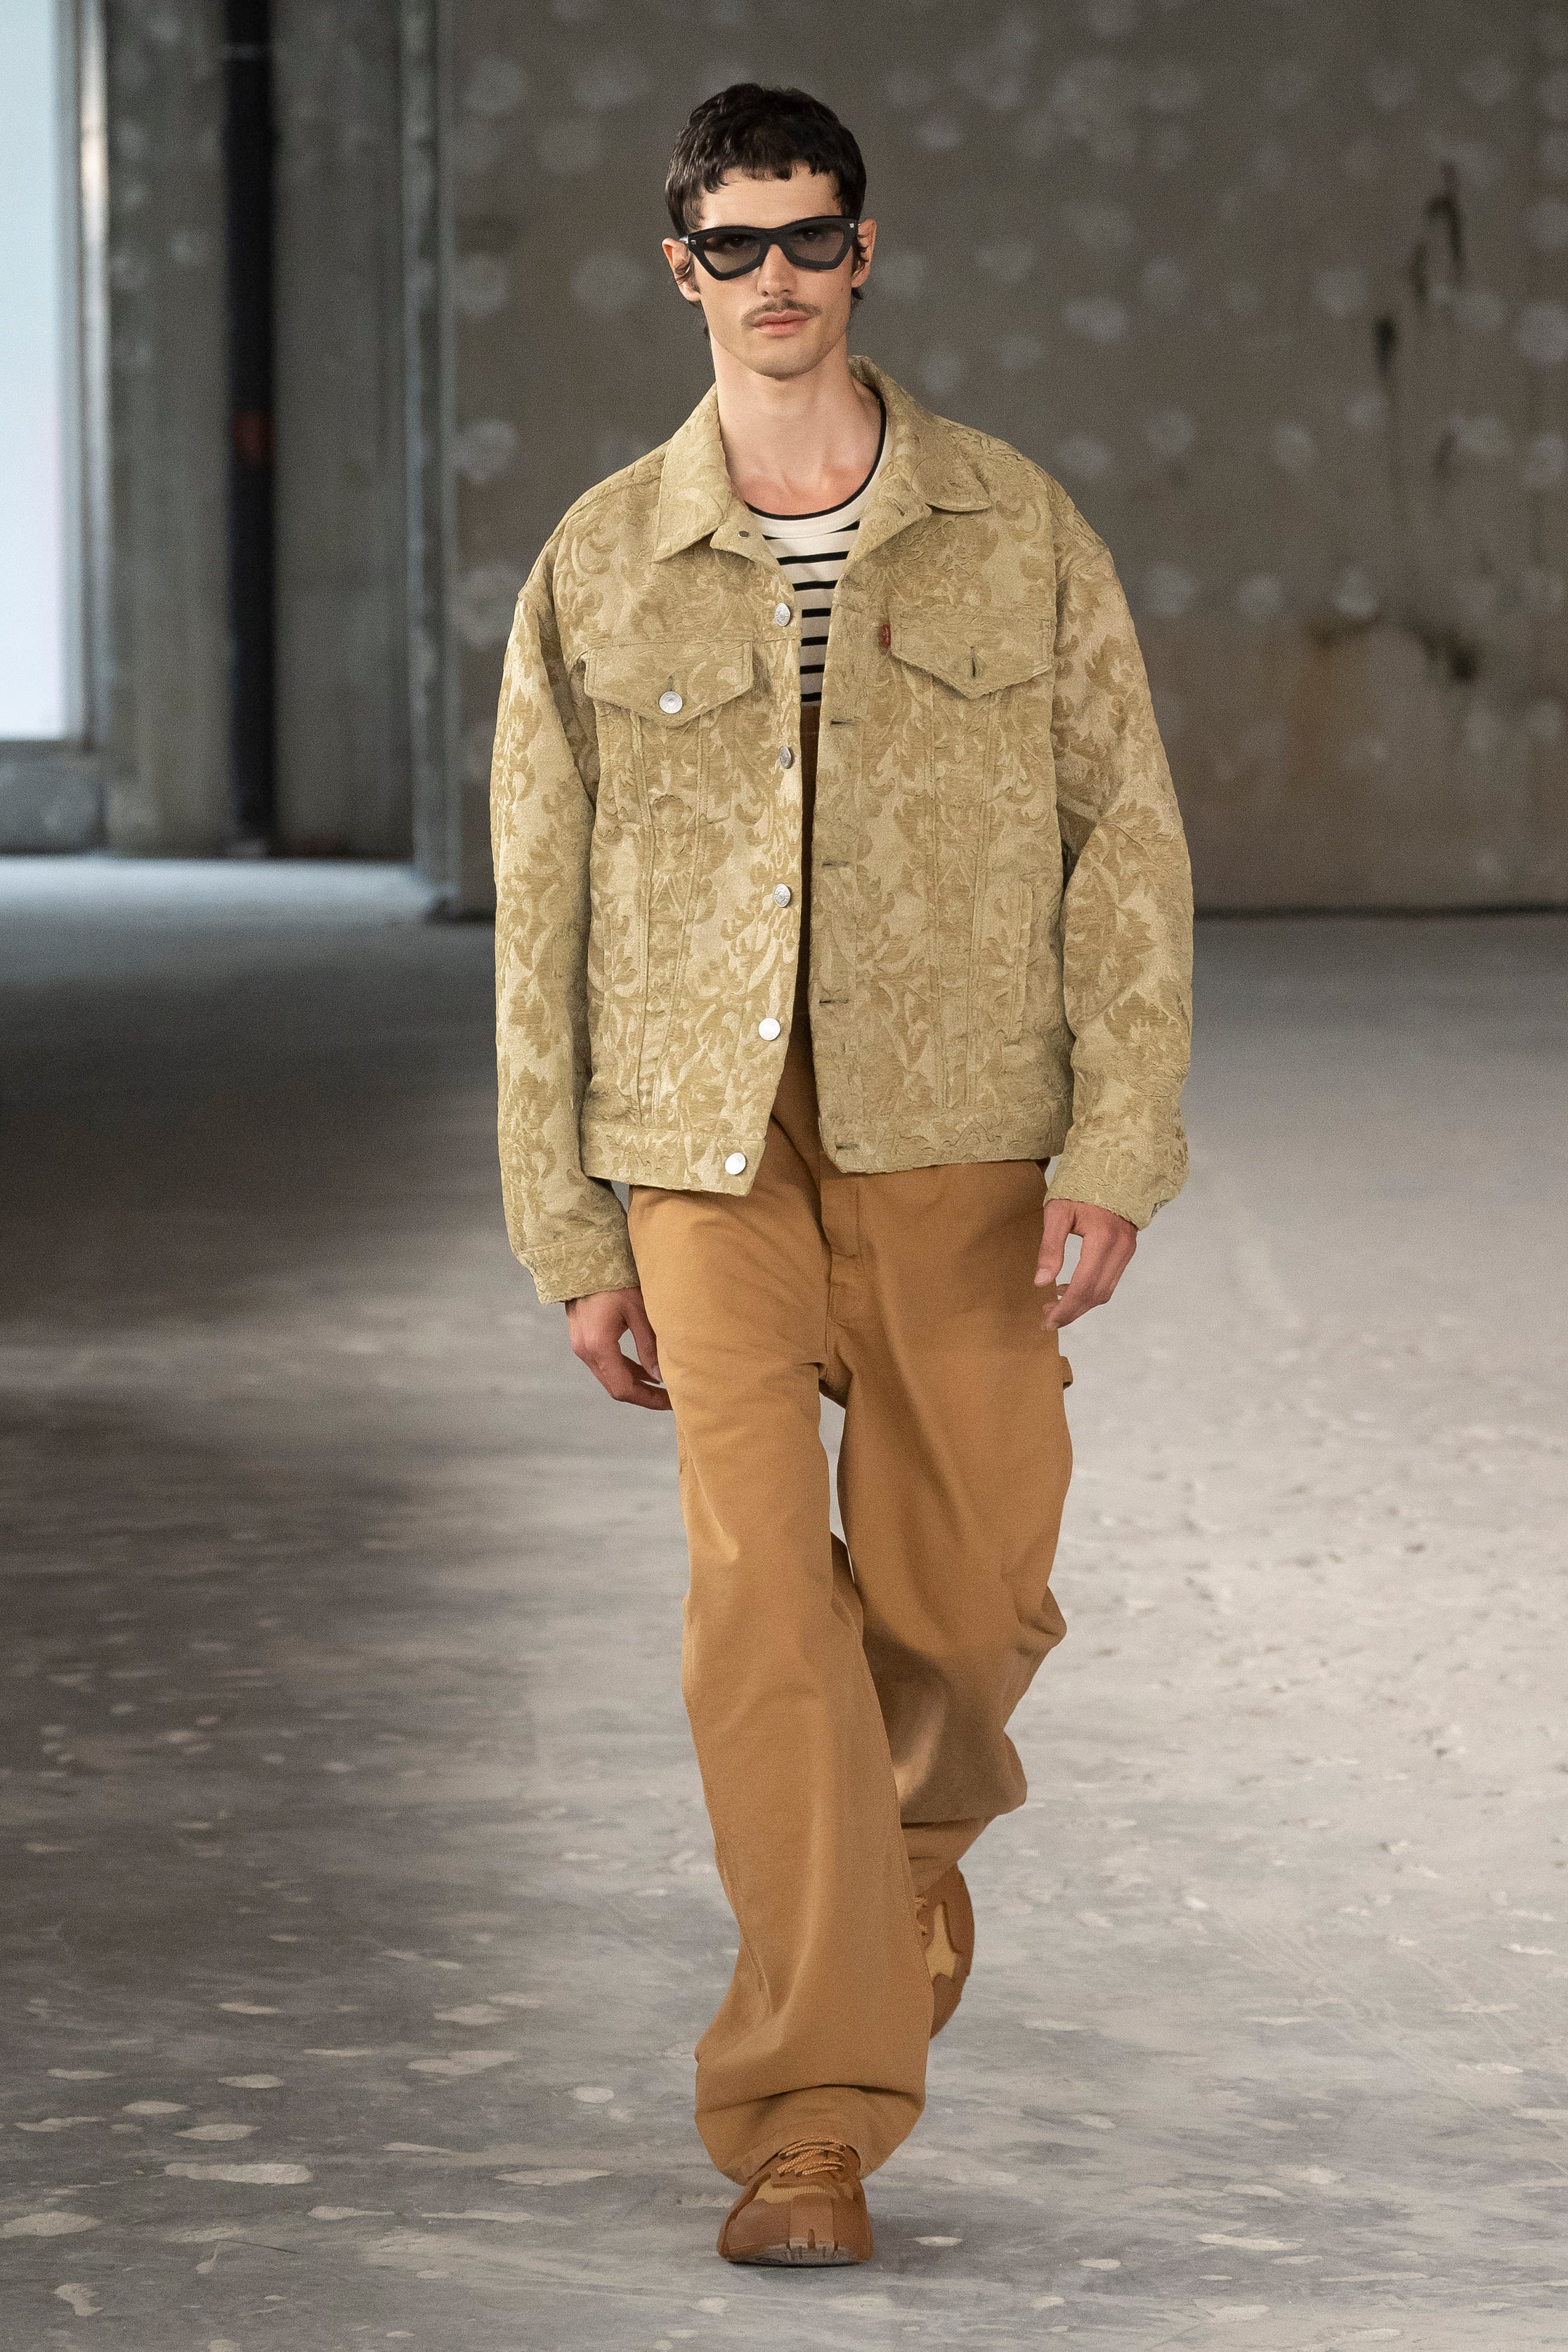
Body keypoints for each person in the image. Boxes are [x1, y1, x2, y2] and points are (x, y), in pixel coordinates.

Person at [490, 82, 1193, 2268]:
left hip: (955, 1115)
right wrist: (566, 1226)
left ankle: (889, 1881)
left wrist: (1121, 1133)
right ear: (680, 268)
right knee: (757, 1610)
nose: (776, 277)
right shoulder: (602, 559)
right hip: (698, 1139)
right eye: (737, 244)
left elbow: (1127, 840)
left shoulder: (1016, 525)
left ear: (864, 254)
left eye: (812, 238)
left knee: (967, 1600)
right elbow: (540, 907)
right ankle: (809, 2115)